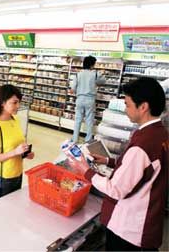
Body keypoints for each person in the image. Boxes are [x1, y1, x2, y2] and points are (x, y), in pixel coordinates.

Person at [68, 77, 168, 251]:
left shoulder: (143, 144)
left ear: (143, 107)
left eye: (128, 105)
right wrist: (109, 161)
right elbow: (147, 167)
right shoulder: (161, 134)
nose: (125, 109)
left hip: (129, 230)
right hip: (149, 218)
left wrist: (86, 171)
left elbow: (116, 189)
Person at [0, 85, 34, 196]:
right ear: (3, 103)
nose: (18, 106)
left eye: (19, 102)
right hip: (3, 179)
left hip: (18, 174)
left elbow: (14, 146)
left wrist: (25, 153)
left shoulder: (15, 119)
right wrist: (15, 152)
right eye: (14, 102)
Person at [71, 55, 105, 143]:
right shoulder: (95, 74)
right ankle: (88, 139)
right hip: (90, 99)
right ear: (92, 65)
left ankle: (75, 139)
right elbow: (103, 82)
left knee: (78, 119)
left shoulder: (78, 74)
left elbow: (73, 88)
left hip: (80, 99)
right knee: (89, 120)